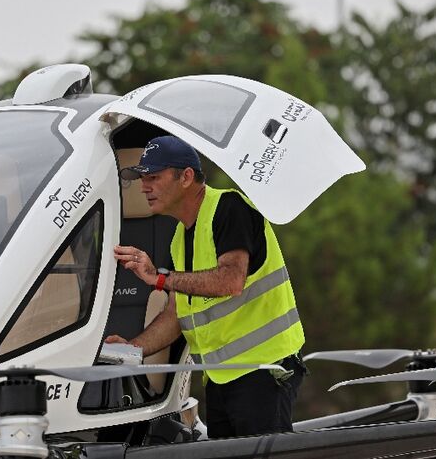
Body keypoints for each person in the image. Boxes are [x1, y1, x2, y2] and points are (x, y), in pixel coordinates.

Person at [106, 135, 306, 438]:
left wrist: (159, 278)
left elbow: (230, 280)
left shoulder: (229, 207)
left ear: (186, 177)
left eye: (154, 177)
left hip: (264, 371)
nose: (144, 186)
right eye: (142, 178)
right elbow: (176, 316)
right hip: (220, 379)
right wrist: (131, 351)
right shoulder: (179, 238)